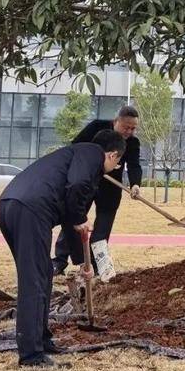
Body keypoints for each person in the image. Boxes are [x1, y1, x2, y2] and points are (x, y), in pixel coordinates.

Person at [0, 129, 126, 368]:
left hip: (12, 205)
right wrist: (80, 217)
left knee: (43, 273)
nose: (115, 166)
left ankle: (42, 339)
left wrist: (81, 263)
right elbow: (76, 193)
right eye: (118, 162)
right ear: (112, 155)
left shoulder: (75, 157)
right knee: (34, 280)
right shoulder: (91, 156)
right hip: (30, 209)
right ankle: (31, 355)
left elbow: (71, 219)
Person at [52, 105, 143, 275]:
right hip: (85, 182)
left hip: (111, 189)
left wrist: (135, 184)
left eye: (133, 128)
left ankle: (94, 265)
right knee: (74, 220)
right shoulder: (96, 128)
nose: (129, 131)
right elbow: (76, 146)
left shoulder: (133, 143)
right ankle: (59, 261)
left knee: (103, 229)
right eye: (126, 127)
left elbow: (134, 165)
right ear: (116, 121)